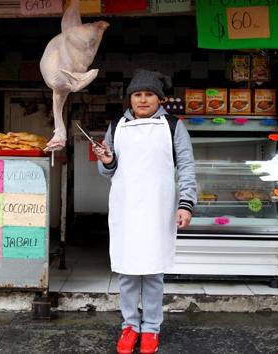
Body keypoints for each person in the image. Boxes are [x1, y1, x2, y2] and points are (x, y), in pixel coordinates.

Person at [93, 69, 197, 354]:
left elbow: (186, 167)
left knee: (152, 272)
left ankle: (151, 328)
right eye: (137, 94)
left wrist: (185, 204)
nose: (142, 99)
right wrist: (106, 159)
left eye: (149, 94)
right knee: (127, 272)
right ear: (130, 99)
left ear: (159, 99)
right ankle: (129, 326)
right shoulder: (117, 126)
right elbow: (107, 169)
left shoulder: (173, 126)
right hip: (126, 208)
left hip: (158, 208)